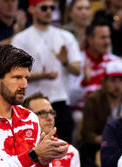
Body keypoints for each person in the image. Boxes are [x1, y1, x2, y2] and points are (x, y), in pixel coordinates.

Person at [11, 0, 82, 143]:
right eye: (44, 8)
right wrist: (42, 76)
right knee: (30, 147)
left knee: (64, 148)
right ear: (32, 9)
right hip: (31, 102)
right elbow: (14, 73)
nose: (49, 11)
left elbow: (77, 69)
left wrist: (65, 62)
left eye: (52, 8)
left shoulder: (66, 36)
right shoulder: (21, 39)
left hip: (59, 100)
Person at [79, 59, 122, 167]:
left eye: (120, 81)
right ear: (104, 82)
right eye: (113, 80)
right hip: (98, 145)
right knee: (86, 150)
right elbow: (86, 133)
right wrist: (106, 138)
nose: (117, 85)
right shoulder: (94, 99)